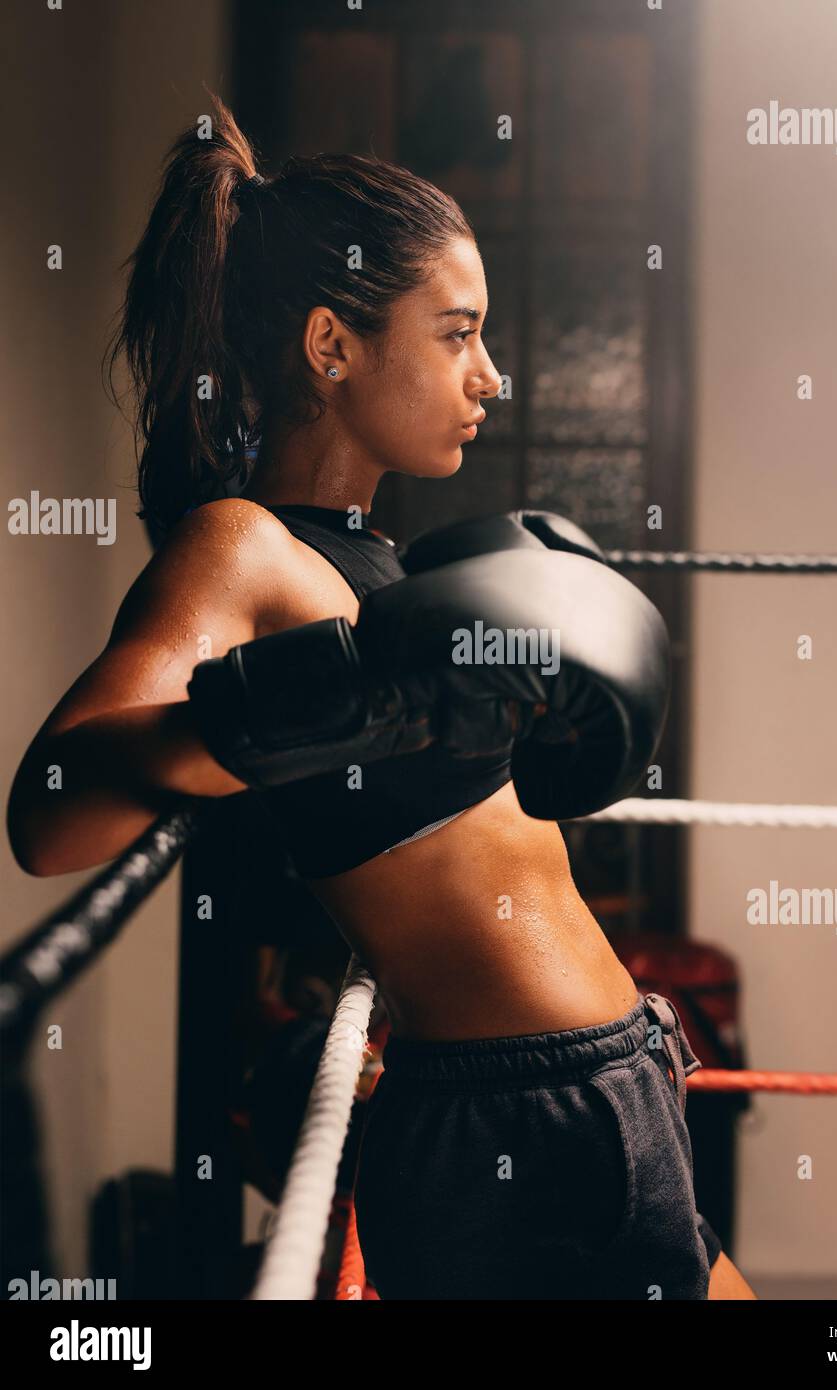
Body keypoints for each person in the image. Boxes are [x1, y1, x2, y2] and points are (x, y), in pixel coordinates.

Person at [6, 93, 755, 1301]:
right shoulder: (241, 549)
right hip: (503, 1119)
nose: (490, 375)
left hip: (623, 1075)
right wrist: (335, 709)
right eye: (456, 333)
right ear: (330, 347)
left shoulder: (394, 572)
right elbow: (48, 812)